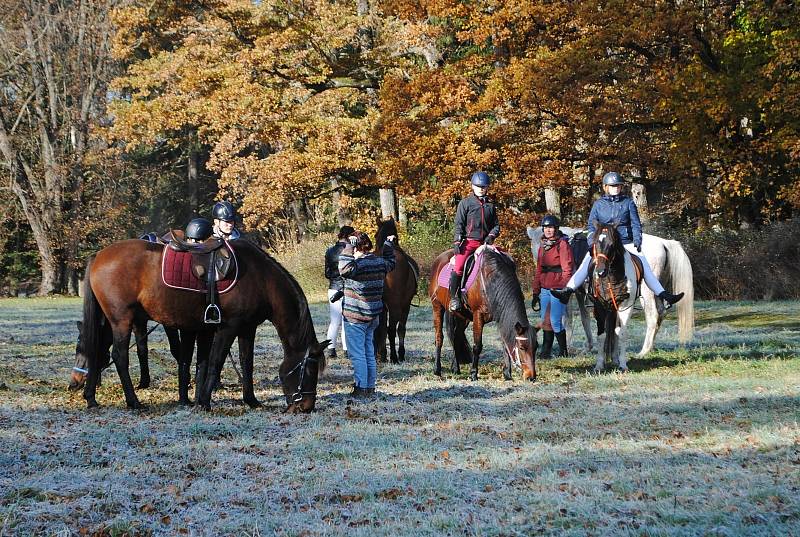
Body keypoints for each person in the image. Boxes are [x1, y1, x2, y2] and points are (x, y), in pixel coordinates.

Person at [552, 172, 684, 308]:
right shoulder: (598, 204)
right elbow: (591, 226)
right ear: (606, 187)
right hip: (603, 244)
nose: (616, 188)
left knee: (645, 268)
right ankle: (568, 291)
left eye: (618, 186)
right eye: (613, 186)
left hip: (626, 242)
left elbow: (635, 224)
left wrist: (637, 240)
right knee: (585, 265)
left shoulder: (628, 203)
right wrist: (592, 242)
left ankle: (663, 294)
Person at [338, 230, 396, 399]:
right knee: (369, 352)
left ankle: (361, 388)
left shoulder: (357, 266)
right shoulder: (379, 263)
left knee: (358, 355)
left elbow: (343, 269)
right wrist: (387, 245)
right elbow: (391, 262)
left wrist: (348, 246)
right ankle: (370, 387)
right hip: (373, 316)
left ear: (356, 246)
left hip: (355, 317)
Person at [449, 171, 500, 312]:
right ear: (472, 186)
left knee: (504, 261)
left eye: (484, 186)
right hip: (469, 242)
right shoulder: (465, 203)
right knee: (458, 266)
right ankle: (454, 297)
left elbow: (496, 225)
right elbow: (459, 223)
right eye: (478, 186)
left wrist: (491, 235)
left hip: (485, 244)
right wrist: (457, 242)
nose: (481, 188)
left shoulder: (491, 206)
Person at [531, 215, 574, 359]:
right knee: (545, 321)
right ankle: (546, 350)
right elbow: (538, 270)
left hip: (557, 288)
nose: (548, 230)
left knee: (555, 321)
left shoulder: (562, 245)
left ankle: (563, 351)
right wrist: (535, 291)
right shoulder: (542, 246)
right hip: (544, 288)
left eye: (551, 227)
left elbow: (567, 269)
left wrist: (564, 289)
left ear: (556, 229)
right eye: (546, 227)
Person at [324, 225, 355, 359]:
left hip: (333, 287)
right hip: (348, 288)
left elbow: (327, 273)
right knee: (347, 321)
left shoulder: (330, 251)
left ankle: (331, 349)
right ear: (350, 236)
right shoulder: (352, 250)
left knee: (334, 321)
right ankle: (347, 349)